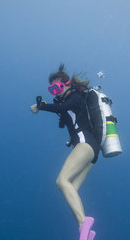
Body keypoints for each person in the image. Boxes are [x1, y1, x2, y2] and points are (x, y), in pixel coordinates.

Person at [30, 64, 100, 227]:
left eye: (57, 87)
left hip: (85, 143)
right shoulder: (70, 102)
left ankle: (83, 222)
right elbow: (62, 111)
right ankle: (82, 229)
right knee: (71, 189)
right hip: (92, 152)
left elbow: (61, 107)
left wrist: (41, 106)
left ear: (67, 84)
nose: (56, 92)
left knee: (61, 181)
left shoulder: (76, 96)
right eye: (52, 89)